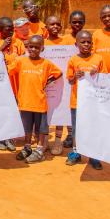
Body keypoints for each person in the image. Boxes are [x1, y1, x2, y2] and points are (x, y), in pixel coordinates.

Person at [8, 35, 62, 164]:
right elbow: (8, 71)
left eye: (36, 47)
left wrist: (48, 82)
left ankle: (39, 151)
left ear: (42, 48)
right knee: (27, 128)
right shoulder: (21, 62)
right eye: (30, 46)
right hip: (24, 102)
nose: (33, 49)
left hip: (39, 103)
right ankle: (27, 147)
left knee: (41, 129)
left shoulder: (46, 63)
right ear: (27, 47)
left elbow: (59, 73)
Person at [65, 30, 105, 170]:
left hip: (93, 103)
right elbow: (70, 81)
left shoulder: (99, 59)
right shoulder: (73, 60)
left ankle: (93, 155)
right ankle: (76, 152)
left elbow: (104, 80)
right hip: (77, 102)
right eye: (83, 42)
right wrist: (75, 76)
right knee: (77, 129)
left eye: (89, 42)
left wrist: (97, 75)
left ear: (92, 44)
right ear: (76, 44)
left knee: (93, 128)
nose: (86, 44)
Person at [0, 17, 25, 152]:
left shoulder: (19, 43)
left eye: (12, 28)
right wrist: (2, 47)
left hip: (14, 83)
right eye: (7, 28)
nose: (10, 31)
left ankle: (9, 138)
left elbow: (23, 60)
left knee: (12, 111)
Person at [43, 15, 69, 156]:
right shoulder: (42, 43)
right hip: (46, 82)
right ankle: (45, 139)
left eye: (58, 24)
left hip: (63, 82)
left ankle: (58, 140)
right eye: (51, 24)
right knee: (46, 111)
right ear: (46, 27)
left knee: (61, 110)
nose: (55, 27)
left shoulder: (68, 42)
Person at [61, 10, 86, 149]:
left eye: (80, 22)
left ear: (84, 23)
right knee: (67, 106)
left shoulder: (87, 37)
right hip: (68, 77)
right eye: (74, 22)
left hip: (84, 80)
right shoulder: (64, 39)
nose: (77, 24)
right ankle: (70, 134)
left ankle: (82, 136)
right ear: (69, 23)